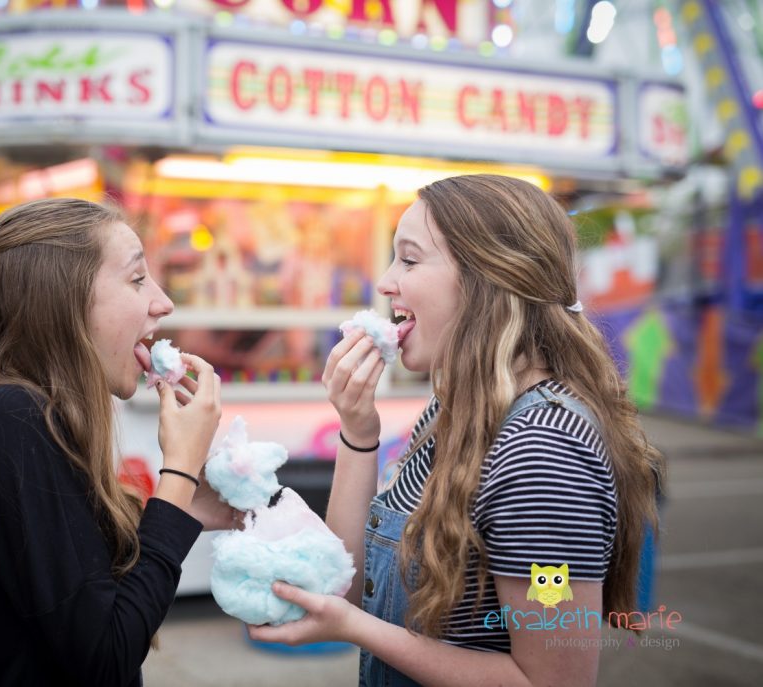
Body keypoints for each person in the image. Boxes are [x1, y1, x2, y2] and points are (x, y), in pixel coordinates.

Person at [249, 174, 665, 686]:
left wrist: (355, 628)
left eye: (409, 258)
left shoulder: (544, 451)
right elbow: (346, 582)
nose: (384, 281)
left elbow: (550, 681)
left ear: (485, 276)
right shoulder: (453, 411)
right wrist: (358, 431)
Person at [0, 198, 231, 686]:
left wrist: (186, 512)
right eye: (136, 279)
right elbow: (106, 656)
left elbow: (73, 595)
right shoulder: (12, 418)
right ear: (62, 299)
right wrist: (178, 471)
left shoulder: (18, 415)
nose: (163, 301)